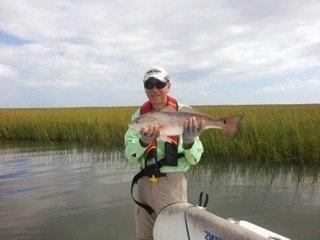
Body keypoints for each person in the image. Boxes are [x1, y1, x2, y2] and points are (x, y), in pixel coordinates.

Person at [124, 66, 204, 240]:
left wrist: (189, 142)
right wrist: (142, 142)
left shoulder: (185, 113)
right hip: (144, 183)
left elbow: (195, 158)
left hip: (172, 184)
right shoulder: (138, 116)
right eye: (149, 84)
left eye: (160, 84)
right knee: (143, 236)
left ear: (169, 86)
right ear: (144, 87)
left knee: (173, 235)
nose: (154, 89)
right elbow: (130, 154)